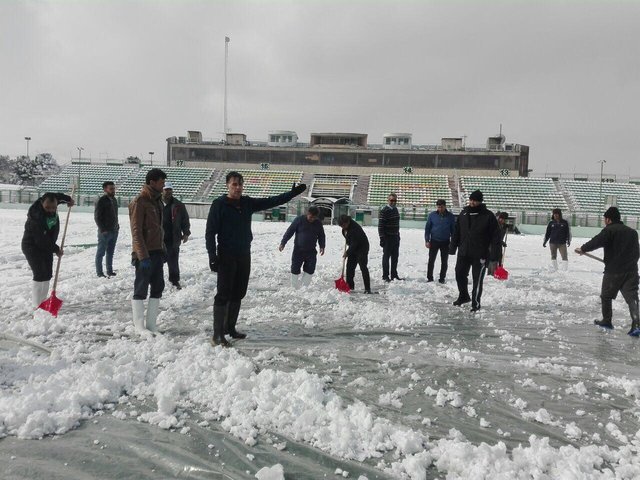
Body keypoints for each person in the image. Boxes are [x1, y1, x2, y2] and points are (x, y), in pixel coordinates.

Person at [206, 172, 306, 346]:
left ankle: (230, 328)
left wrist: (292, 194)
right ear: (227, 186)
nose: (237, 187)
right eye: (234, 184)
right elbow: (210, 233)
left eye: (240, 184)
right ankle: (217, 334)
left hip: (244, 254)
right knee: (223, 294)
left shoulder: (246, 203)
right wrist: (212, 256)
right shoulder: (219, 205)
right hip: (226, 255)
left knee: (239, 292)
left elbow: (272, 201)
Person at [575, 207, 640, 335]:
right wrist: (631, 264)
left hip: (613, 272)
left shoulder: (609, 230)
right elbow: (637, 252)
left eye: (605, 219)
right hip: (631, 271)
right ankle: (637, 324)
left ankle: (607, 320)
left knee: (606, 296)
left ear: (609, 219)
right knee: (632, 298)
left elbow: (597, 241)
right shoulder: (633, 232)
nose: (604, 221)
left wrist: (583, 248)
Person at [129, 168, 167, 337]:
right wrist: (142, 255)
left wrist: (163, 249)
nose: (163, 185)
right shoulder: (140, 201)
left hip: (158, 251)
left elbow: (159, 228)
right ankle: (139, 325)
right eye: (161, 182)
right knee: (141, 288)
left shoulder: (158, 201)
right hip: (145, 254)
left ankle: (151, 324)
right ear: (152, 182)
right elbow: (136, 232)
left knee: (158, 287)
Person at [449, 190, 501, 312]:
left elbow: (496, 237)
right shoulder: (464, 213)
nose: (472, 202)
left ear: (480, 201)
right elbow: (457, 232)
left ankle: (475, 303)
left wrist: (494, 256)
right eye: (471, 200)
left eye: (475, 200)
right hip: (464, 252)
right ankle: (463, 296)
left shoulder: (488, 216)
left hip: (480, 254)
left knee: (477, 280)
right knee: (459, 273)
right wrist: (452, 247)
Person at [22, 192, 74, 308]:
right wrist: (56, 249)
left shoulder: (53, 200)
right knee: (40, 273)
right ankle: (37, 305)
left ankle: (44, 301)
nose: (51, 210)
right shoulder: (36, 217)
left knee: (48, 274)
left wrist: (69, 199)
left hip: (47, 245)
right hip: (32, 246)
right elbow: (41, 240)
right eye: (47, 208)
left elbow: (58, 196)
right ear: (41, 203)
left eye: (53, 207)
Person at [279, 205, 326, 288]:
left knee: (310, 268)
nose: (312, 219)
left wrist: (322, 246)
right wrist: (283, 243)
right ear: (308, 213)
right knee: (295, 267)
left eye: (314, 218)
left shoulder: (318, 223)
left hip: (311, 250)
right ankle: (294, 286)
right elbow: (290, 231)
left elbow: (321, 235)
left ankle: (304, 287)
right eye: (311, 217)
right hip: (298, 250)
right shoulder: (299, 220)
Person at [162, 182, 191, 290]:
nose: (168, 192)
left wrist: (186, 233)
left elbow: (185, 219)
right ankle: (156, 281)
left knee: (173, 261)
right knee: (157, 261)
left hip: (173, 238)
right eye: (166, 189)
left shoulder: (178, 205)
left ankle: (174, 280)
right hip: (158, 239)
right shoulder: (156, 203)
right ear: (162, 190)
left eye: (170, 189)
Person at [424, 199, 456, 283]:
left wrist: (452, 242)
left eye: (441, 207)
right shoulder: (432, 215)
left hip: (445, 242)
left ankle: (442, 278)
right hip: (434, 241)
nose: (440, 209)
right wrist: (427, 240)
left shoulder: (450, 216)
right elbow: (427, 228)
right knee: (431, 260)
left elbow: (453, 230)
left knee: (444, 261)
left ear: (445, 206)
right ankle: (429, 278)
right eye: (438, 207)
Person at [339, 214, 371, 293]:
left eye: (343, 225)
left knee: (363, 267)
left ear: (348, 222)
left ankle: (367, 288)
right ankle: (350, 286)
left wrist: (347, 252)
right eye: (341, 226)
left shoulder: (355, 229)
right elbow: (349, 240)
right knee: (349, 267)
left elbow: (354, 243)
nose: (342, 227)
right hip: (353, 247)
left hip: (362, 248)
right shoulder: (344, 228)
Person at [94, 181, 119, 278]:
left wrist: (117, 225)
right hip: (105, 231)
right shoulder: (101, 200)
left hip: (114, 230)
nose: (113, 190)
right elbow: (97, 217)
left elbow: (115, 215)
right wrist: (102, 229)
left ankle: (109, 270)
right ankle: (99, 273)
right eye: (111, 189)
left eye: (114, 188)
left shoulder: (114, 200)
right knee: (101, 253)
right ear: (105, 189)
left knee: (110, 252)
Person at [378, 193, 402, 281]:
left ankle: (394, 275)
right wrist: (382, 238)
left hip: (395, 236)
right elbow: (380, 226)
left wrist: (398, 235)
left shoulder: (395, 209)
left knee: (395, 257)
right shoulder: (384, 210)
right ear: (388, 200)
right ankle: (385, 276)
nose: (393, 202)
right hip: (387, 237)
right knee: (386, 257)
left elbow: (397, 224)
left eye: (395, 200)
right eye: (392, 200)